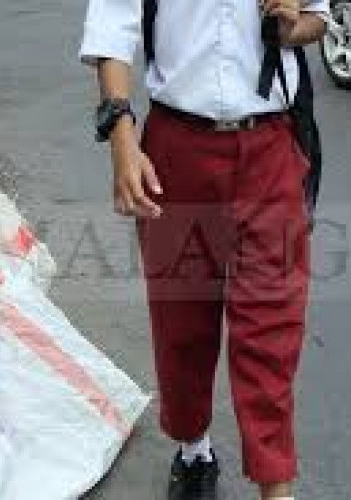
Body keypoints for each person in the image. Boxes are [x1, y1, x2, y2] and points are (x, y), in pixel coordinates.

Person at [80, 1, 328, 499]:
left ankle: (276, 488)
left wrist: (291, 26)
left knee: (273, 324)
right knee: (182, 320)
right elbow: (112, 25)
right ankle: (194, 448)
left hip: (272, 146)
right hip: (178, 147)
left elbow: (317, 19)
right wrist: (122, 138)